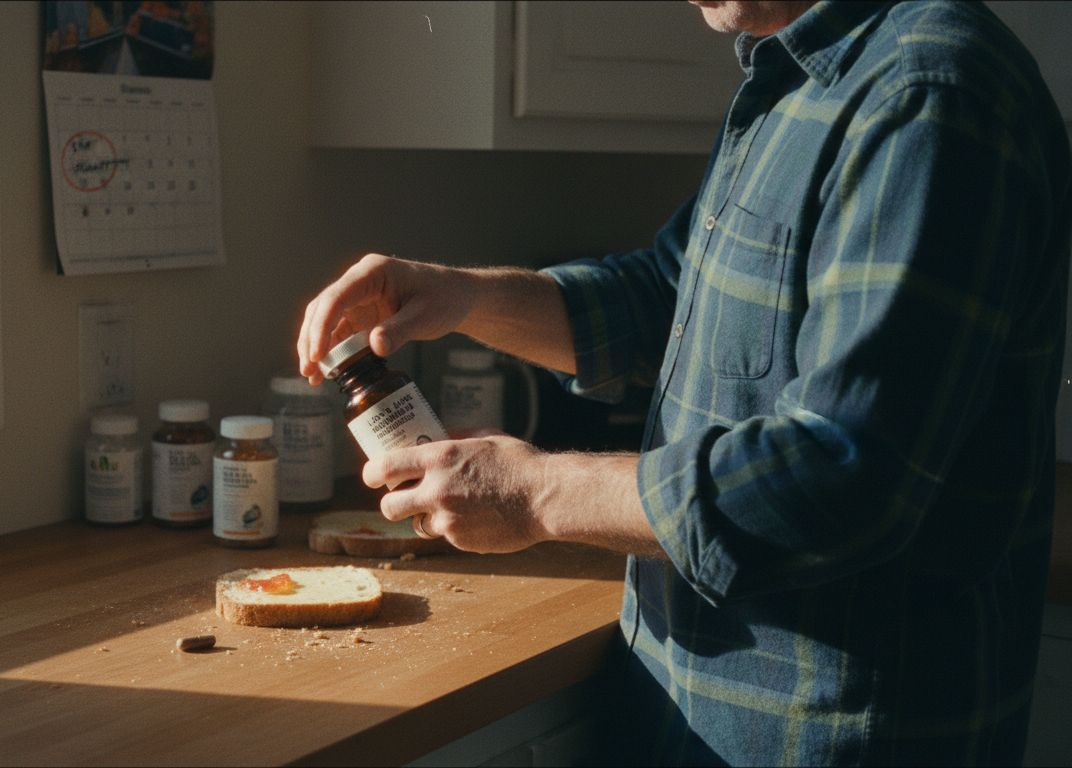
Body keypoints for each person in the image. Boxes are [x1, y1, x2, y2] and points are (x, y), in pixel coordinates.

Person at [297, 0, 1070, 764]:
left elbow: (840, 472)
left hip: (825, 738)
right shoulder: (799, 76)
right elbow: (670, 298)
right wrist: (468, 297)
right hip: (689, 711)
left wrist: (535, 492)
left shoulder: (928, 93)